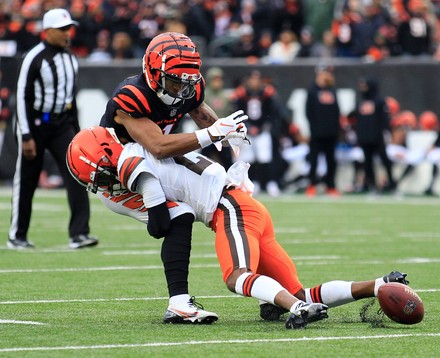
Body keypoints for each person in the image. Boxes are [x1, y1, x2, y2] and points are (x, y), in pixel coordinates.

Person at [67, 126, 410, 329]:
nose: (106, 183)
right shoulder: (127, 164)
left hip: (229, 206)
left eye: (104, 173)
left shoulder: (128, 160)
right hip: (246, 206)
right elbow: (175, 215)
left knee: (236, 277)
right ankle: (379, 284)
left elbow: (162, 222)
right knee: (298, 292)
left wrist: (152, 206)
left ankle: (295, 309)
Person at [98, 31, 248, 324]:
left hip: (153, 164)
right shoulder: (132, 96)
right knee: (175, 218)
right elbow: (158, 145)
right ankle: (179, 303)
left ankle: (180, 304)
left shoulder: (188, 84)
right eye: (174, 81)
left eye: (187, 82)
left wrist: (227, 136)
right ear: (152, 72)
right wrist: (212, 133)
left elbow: (199, 111)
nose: (181, 89)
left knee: (194, 208)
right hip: (121, 177)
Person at [8, 8, 98, 250]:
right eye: (62, 29)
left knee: (77, 175)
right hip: (35, 124)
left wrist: (78, 133)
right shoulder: (34, 57)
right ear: (47, 31)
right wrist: (25, 135)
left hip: (61, 125)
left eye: (68, 28)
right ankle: (17, 235)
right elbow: (22, 98)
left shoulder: (70, 58)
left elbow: (71, 98)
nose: (67, 33)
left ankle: (79, 234)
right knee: (26, 180)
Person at [230, 70, 282, 196]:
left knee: (265, 158)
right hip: (247, 131)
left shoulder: (266, 93)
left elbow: (272, 112)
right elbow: (238, 112)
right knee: (249, 160)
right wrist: (248, 126)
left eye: (257, 79)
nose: (254, 82)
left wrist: (263, 126)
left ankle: (271, 183)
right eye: (252, 79)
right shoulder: (242, 93)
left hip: (263, 130)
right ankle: (254, 182)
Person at [349, 77, 396, 194]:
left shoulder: (379, 101)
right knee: (368, 164)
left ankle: (392, 185)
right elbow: (354, 118)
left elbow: (384, 120)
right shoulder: (359, 102)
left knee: (386, 162)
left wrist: (387, 133)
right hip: (365, 138)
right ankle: (372, 187)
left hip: (377, 138)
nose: (362, 89)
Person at [305, 64, 341, 197]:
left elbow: (337, 112)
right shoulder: (312, 91)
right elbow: (309, 112)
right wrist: (314, 129)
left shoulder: (332, 90)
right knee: (313, 160)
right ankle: (311, 185)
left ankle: (330, 185)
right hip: (317, 133)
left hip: (331, 133)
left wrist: (337, 129)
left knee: (331, 161)